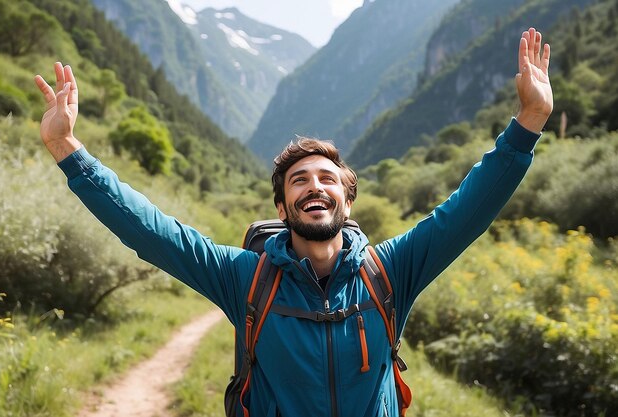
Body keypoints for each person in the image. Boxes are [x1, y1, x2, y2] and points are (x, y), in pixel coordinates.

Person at [34, 28, 552, 417]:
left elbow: (467, 211)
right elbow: (150, 229)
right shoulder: (246, 278)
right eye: (299, 180)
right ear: (283, 209)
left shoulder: (390, 271)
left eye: (327, 178)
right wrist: (67, 149)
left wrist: (527, 124)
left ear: (346, 203)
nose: (314, 186)